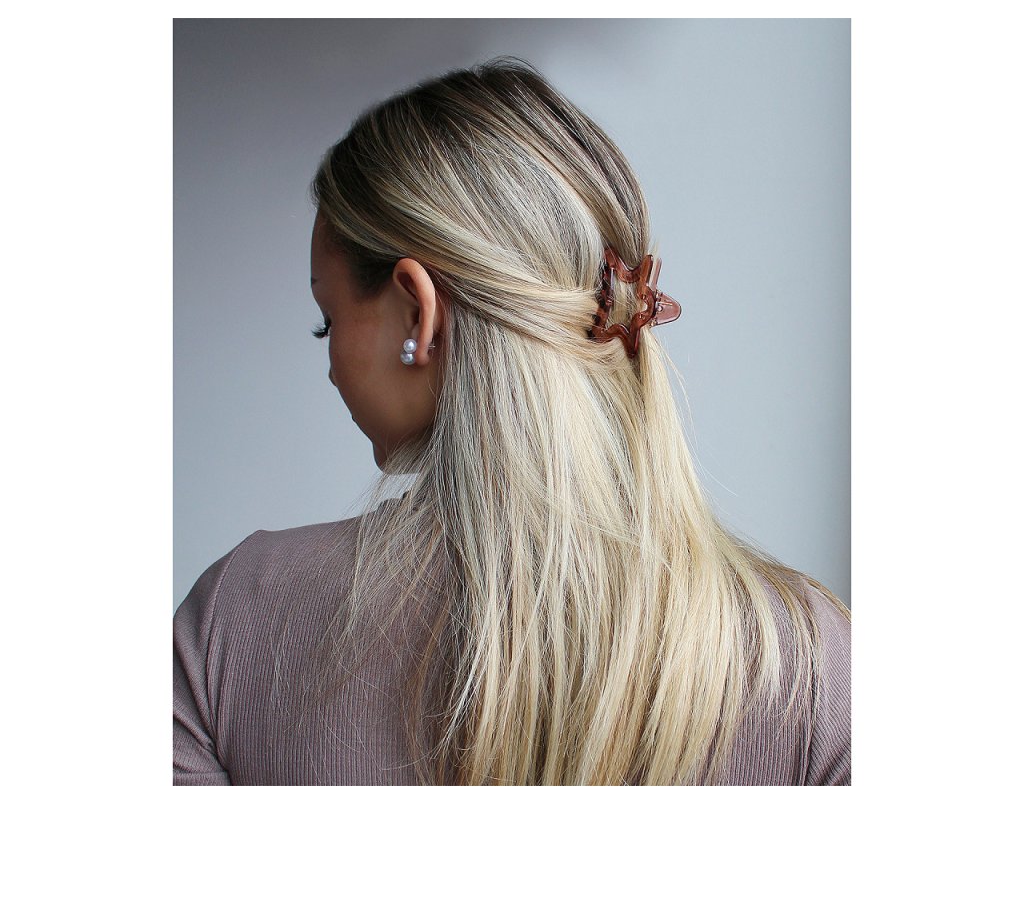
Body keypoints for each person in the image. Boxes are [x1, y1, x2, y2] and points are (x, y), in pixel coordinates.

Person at [173, 57, 851, 786]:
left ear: (417, 312)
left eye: (326, 320)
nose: (332, 364)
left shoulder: (238, 622)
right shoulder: (811, 663)